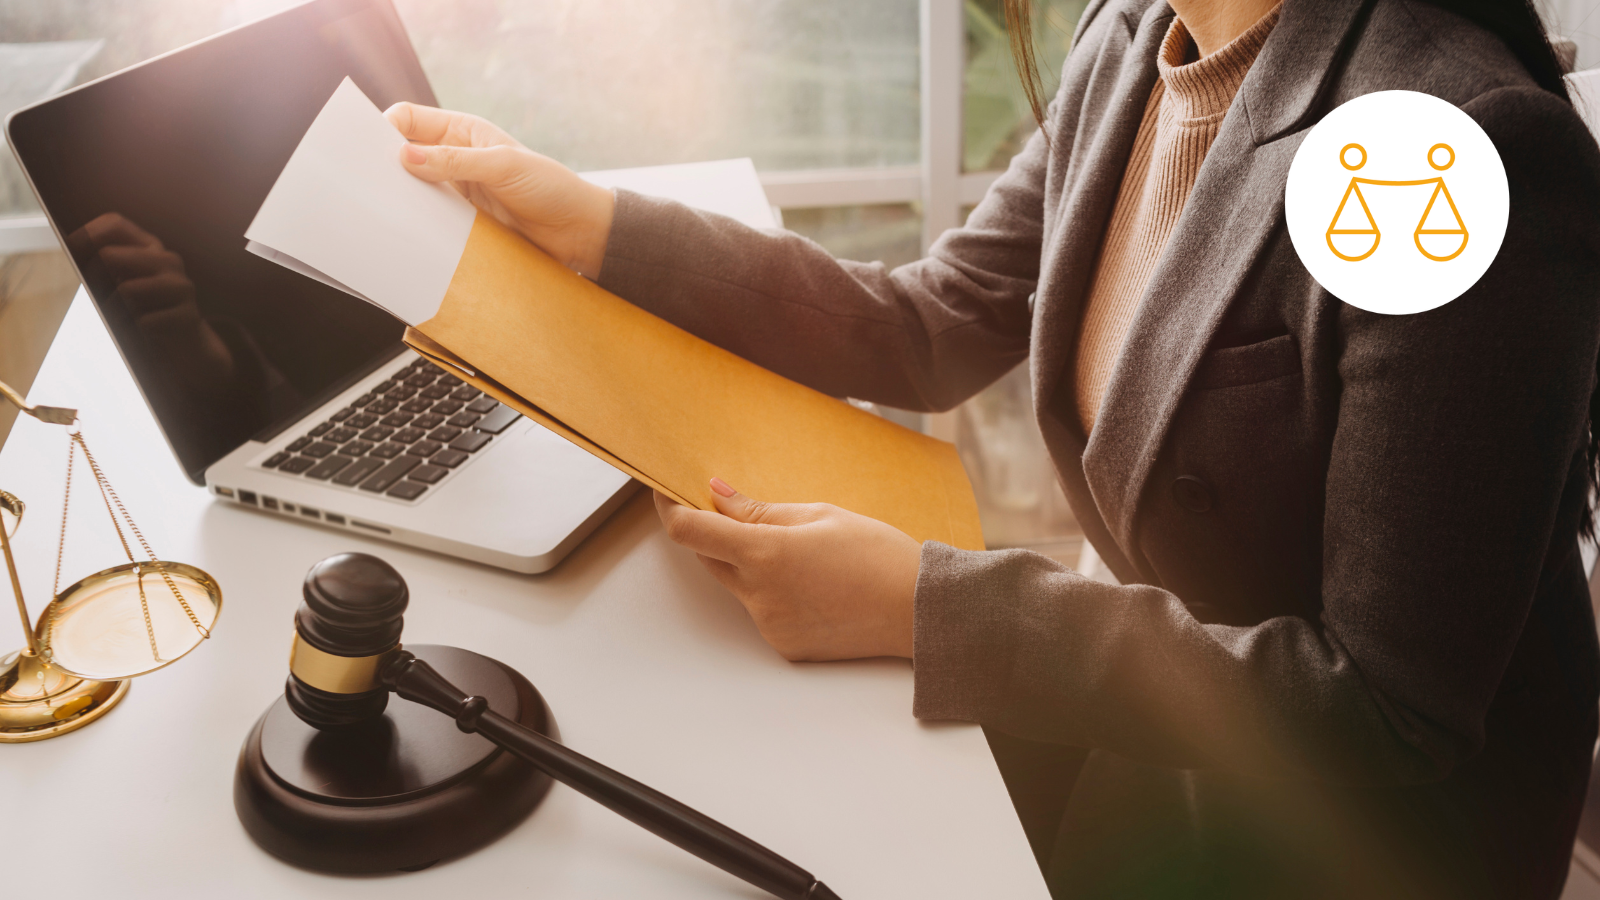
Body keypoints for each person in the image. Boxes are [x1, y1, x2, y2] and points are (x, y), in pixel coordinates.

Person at [384, 0, 1600, 896]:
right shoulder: (1136, 37)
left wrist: (925, 606)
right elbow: (924, 322)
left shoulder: (1449, 142)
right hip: (1172, 722)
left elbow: (1386, 710)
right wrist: (595, 226)